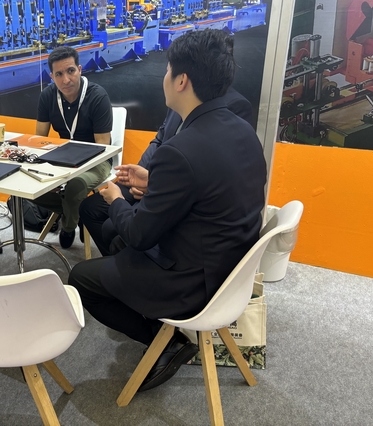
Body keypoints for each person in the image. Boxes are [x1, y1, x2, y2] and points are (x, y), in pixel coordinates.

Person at [68, 29, 267, 393]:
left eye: (166, 69)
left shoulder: (182, 149)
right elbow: (206, 189)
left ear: (181, 80)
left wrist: (115, 198)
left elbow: (140, 234)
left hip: (194, 283)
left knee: (81, 278)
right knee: (117, 244)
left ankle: (168, 341)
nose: (163, 77)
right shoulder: (242, 131)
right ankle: (147, 311)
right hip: (229, 270)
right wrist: (153, 180)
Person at [80, 86, 254, 256]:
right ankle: (116, 263)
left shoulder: (234, 107)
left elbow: (205, 172)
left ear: (182, 78)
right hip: (150, 178)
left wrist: (154, 182)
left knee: (113, 230)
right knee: (89, 208)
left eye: (169, 71)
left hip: (174, 189)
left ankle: (125, 265)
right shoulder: (178, 101)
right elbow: (159, 139)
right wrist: (144, 175)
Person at [32, 46, 113, 248]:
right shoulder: (47, 96)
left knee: (76, 185)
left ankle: (68, 226)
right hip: (63, 158)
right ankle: (78, 209)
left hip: (97, 161)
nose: (66, 80)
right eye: (59, 74)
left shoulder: (97, 96)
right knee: (27, 184)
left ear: (79, 69)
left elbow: (102, 146)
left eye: (70, 71)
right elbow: (39, 139)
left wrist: (69, 172)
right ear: (52, 76)